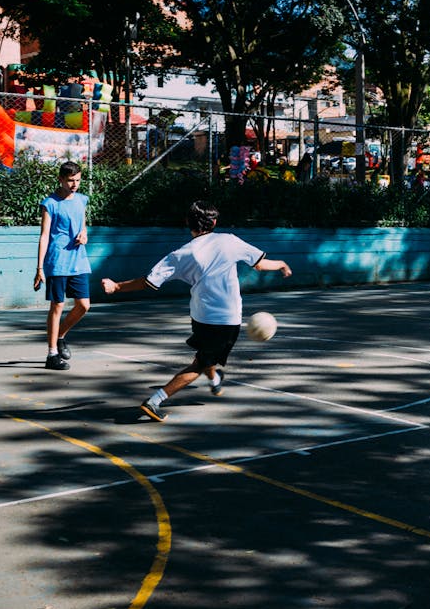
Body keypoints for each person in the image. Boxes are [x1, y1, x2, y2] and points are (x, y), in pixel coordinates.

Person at [101, 200, 292, 421]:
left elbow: (149, 282)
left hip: (199, 317)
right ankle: (155, 401)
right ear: (214, 222)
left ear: (187, 223)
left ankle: (215, 380)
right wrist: (281, 264)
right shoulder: (228, 241)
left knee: (206, 354)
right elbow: (259, 264)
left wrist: (116, 286)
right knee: (200, 364)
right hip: (225, 320)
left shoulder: (182, 253)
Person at [34, 161, 91, 370]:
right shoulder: (50, 203)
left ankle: (60, 336)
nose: (74, 184)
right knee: (57, 306)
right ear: (60, 179)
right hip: (57, 261)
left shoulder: (82, 200)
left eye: (77, 180)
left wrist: (84, 235)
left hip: (79, 260)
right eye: (70, 180)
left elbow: (82, 225)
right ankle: (51, 355)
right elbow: (44, 236)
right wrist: (39, 268)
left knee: (84, 305)